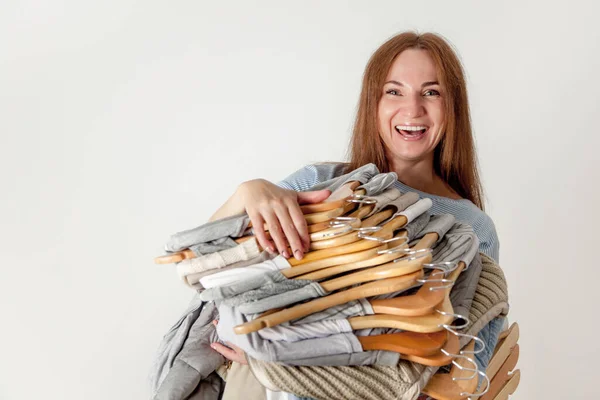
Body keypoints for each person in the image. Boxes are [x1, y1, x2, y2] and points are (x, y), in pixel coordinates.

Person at [208, 30, 501, 391]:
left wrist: (287, 365)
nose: (413, 109)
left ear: (452, 105)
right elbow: (209, 271)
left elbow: (464, 377)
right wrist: (246, 193)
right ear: (372, 104)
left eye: (431, 92)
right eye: (394, 91)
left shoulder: (472, 227)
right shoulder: (317, 184)